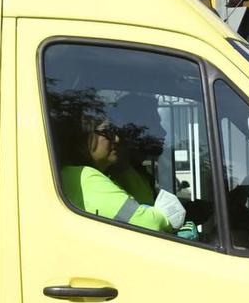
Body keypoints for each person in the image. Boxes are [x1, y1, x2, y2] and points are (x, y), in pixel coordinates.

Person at [58, 95, 189, 235]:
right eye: (108, 132)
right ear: (84, 138)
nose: (117, 139)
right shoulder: (84, 177)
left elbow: (144, 204)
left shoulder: (108, 174)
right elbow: (148, 223)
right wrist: (169, 218)